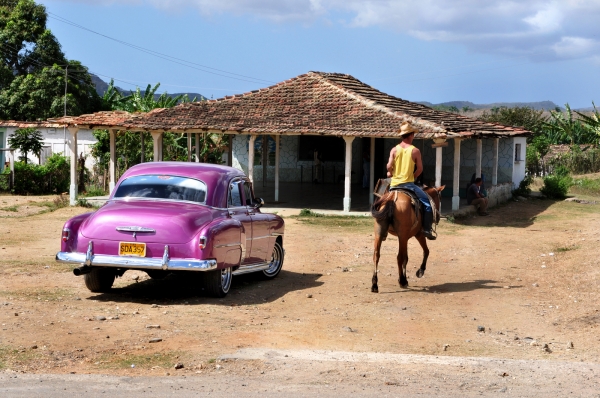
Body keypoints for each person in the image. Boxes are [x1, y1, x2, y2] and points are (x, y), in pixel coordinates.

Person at [386, 121, 436, 240]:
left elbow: (388, 167)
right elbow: (420, 169)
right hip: (408, 185)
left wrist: (391, 173)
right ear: (411, 135)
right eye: (413, 134)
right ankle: (427, 229)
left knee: (381, 199)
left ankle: (383, 226)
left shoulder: (394, 150)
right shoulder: (415, 150)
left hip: (393, 185)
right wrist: (412, 177)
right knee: (427, 203)